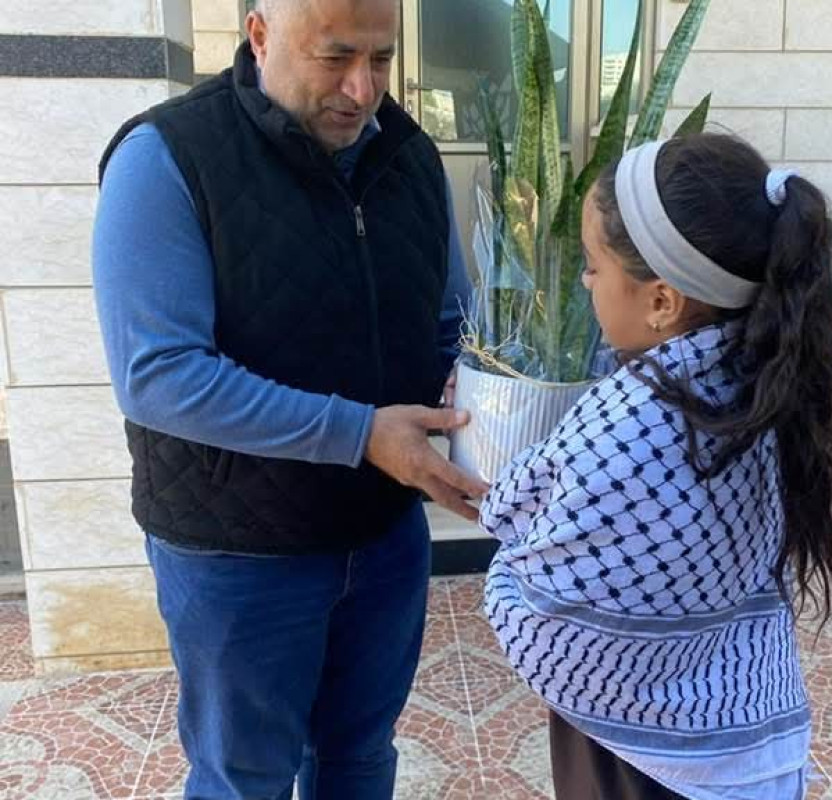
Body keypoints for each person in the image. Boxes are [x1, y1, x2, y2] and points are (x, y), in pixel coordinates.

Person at [91, 0, 489, 798]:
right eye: (335, 57)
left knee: (360, 757)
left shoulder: (409, 156)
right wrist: (361, 433)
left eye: (381, 59)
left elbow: (451, 319)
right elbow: (158, 375)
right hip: (238, 554)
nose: (362, 89)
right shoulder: (166, 157)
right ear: (260, 34)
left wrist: (476, 387)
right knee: (246, 778)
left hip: (383, 537)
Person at [479, 133, 832, 799]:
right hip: (742, 723)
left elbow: (549, 621)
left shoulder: (633, 429)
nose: (585, 283)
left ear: (662, 302)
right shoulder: (764, 378)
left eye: (593, 267)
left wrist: (503, 573)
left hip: (640, 761)